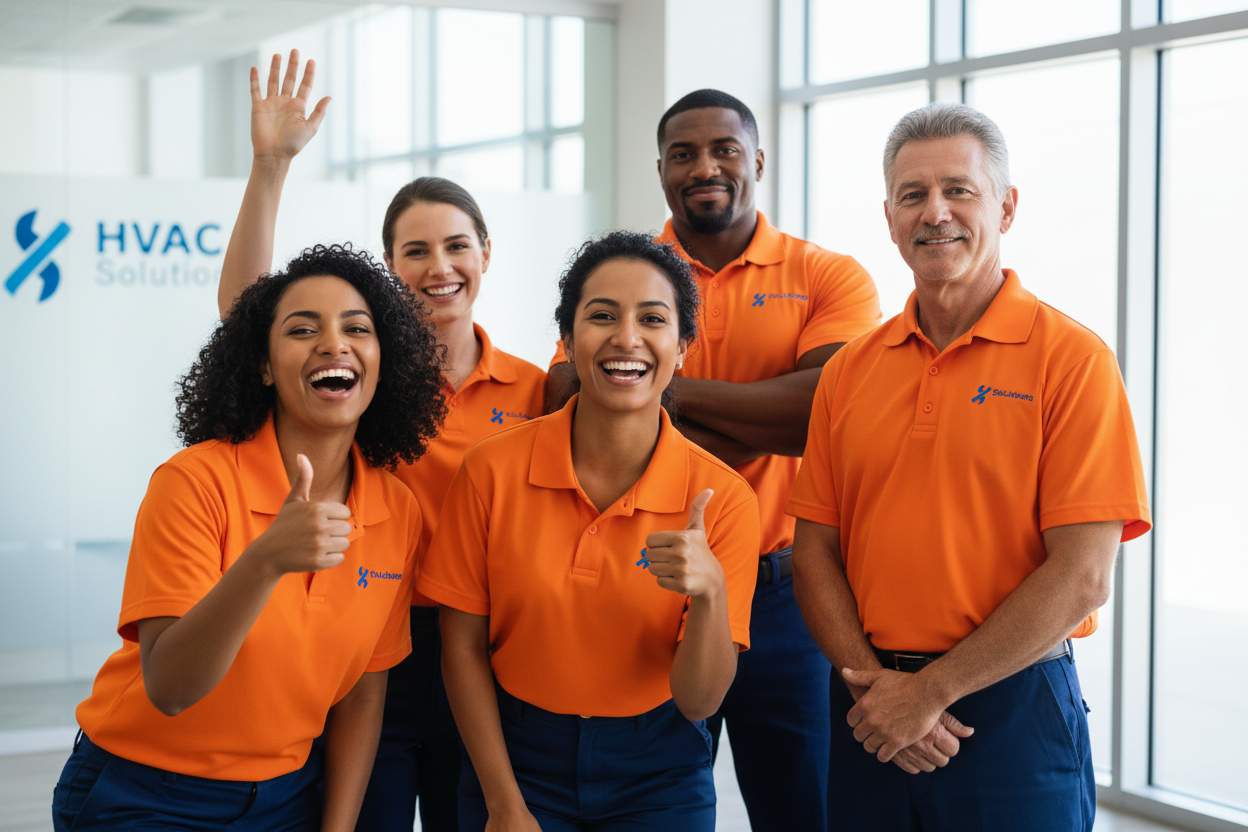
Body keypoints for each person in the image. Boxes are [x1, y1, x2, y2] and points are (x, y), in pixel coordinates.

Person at [787, 102, 1152, 831]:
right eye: (913, 195)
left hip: (1008, 706)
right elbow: (815, 554)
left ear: (1006, 208)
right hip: (867, 699)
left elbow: (1083, 574)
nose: (936, 213)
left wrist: (928, 694)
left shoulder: (1072, 360)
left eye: (959, 190)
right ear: (888, 216)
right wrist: (881, 692)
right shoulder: (850, 372)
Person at [217, 51, 547, 832]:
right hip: (374, 651)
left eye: (458, 246)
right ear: (390, 268)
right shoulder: (362, 381)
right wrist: (269, 168)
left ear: (486, 255)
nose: (441, 268)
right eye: (416, 251)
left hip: (486, 654)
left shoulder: (536, 389)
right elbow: (245, 321)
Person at [544, 88, 881, 832]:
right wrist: (768, 412)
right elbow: (567, 398)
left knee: (804, 810)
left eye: (724, 149)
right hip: (647, 584)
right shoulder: (628, 272)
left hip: (785, 595)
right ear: (661, 170)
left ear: (756, 160)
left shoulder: (829, 275)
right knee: (653, 804)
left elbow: (826, 411)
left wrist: (664, 397)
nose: (706, 166)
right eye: (684, 153)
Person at [52, 244, 447, 831]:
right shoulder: (194, 482)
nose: (333, 344)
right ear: (263, 366)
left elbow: (364, 692)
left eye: (356, 328)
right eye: (302, 329)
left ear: (383, 361)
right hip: (146, 791)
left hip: (288, 797)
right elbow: (172, 688)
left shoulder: (398, 509)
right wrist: (265, 561)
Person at [418, 232, 761, 831]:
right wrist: (503, 803)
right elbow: (463, 648)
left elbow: (699, 700)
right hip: (516, 759)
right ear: (569, 343)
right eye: (602, 316)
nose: (626, 338)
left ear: (682, 348)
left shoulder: (722, 499)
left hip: (661, 770)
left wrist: (709, 596)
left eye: (652, 319)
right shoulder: (490, 470)